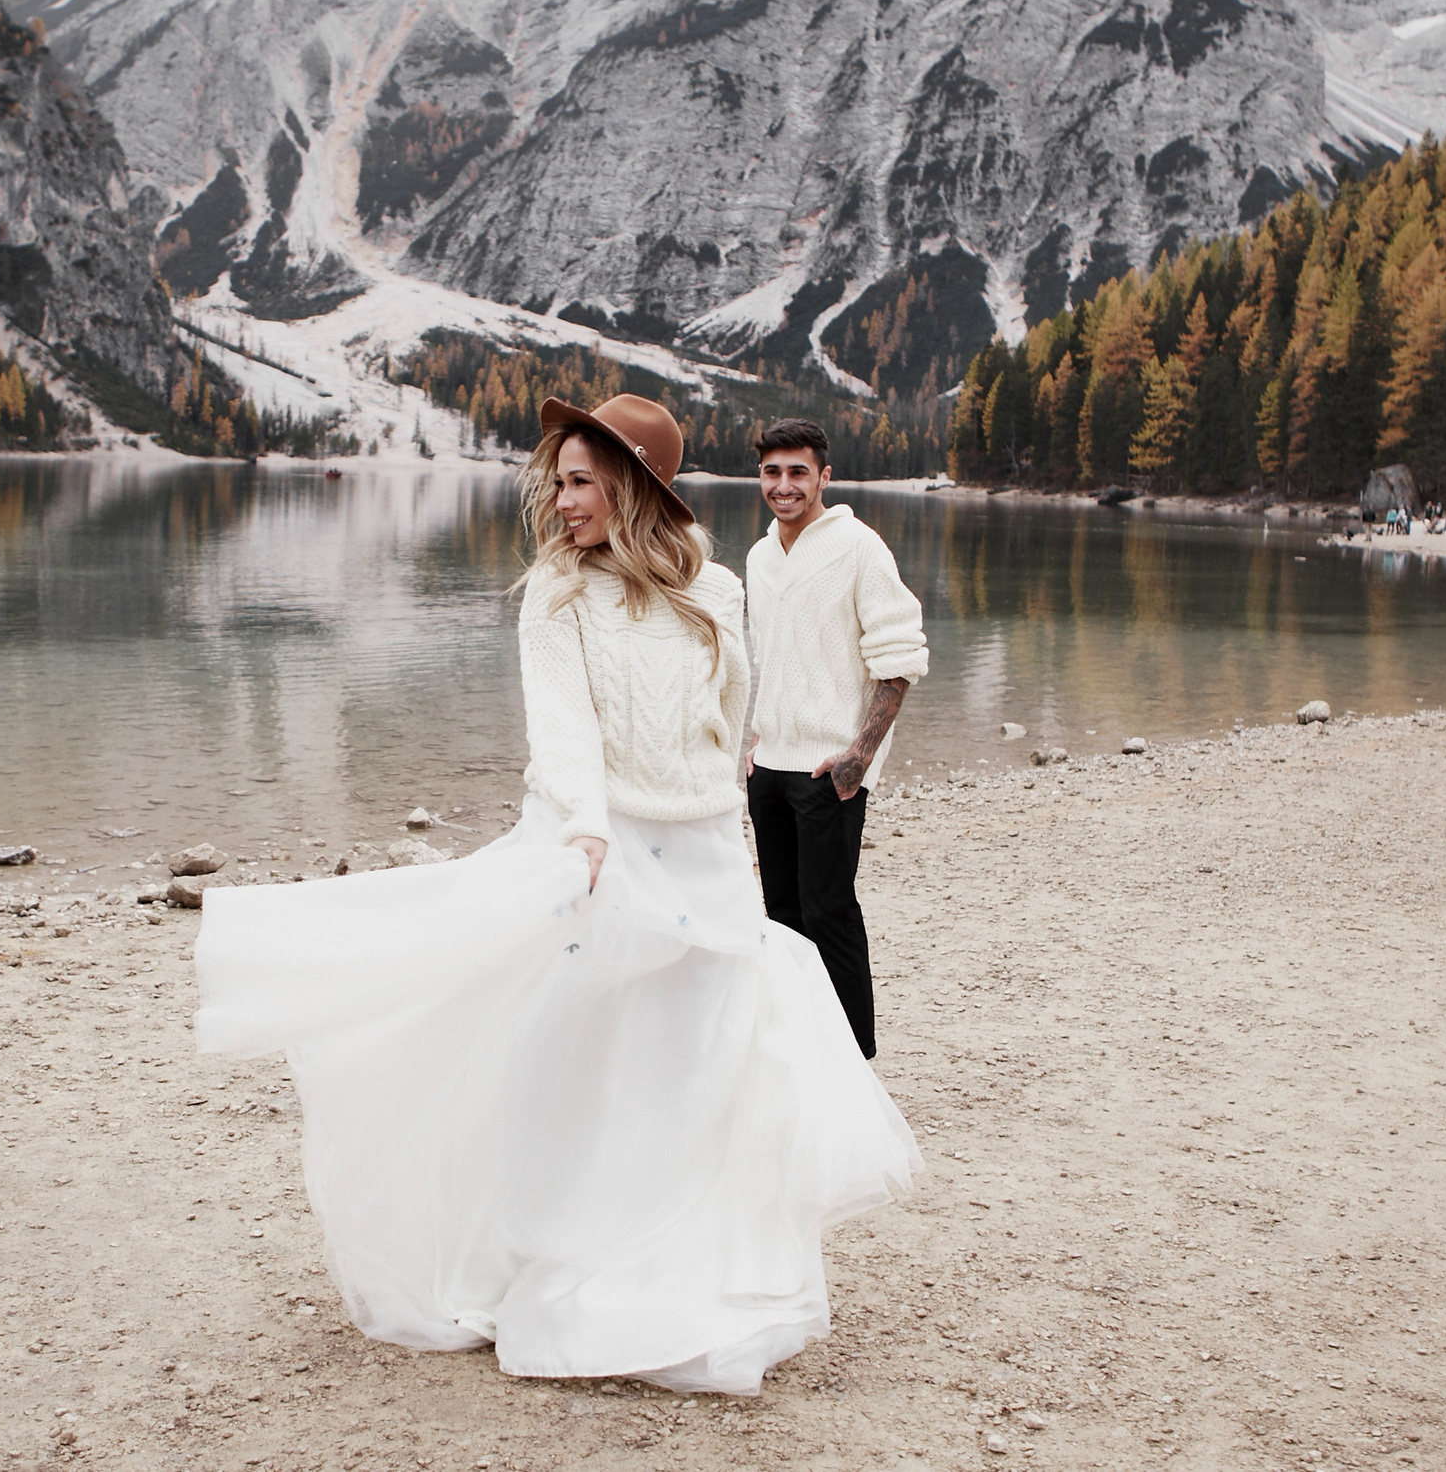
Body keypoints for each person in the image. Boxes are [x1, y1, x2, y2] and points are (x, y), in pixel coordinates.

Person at [194, 393, 919, 1397]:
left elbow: (727, 718)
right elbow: (562, 721)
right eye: (561, 479)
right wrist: (582, 827)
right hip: (600, 844)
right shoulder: (557, 592)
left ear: (632, 485)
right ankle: (554, 1252)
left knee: (699, 1060)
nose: (561, 499)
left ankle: (695, 1266)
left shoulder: (713, 589)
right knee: (576, 1049)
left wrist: (727, 831)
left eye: (581, 480)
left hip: (702, 847)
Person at [741, 419, 928, 1061]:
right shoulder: (761, 558)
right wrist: (758, 739)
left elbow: (899, 656)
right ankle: (798, 1049)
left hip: (828, 770)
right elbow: (770, 659)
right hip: (769, 768)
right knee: (781, 916)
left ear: (824, 476)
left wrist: (858, 757)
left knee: (829, 913)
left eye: (798, 472)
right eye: (772, 471)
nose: (784, 485)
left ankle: (854, 1056)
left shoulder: (858, 547)